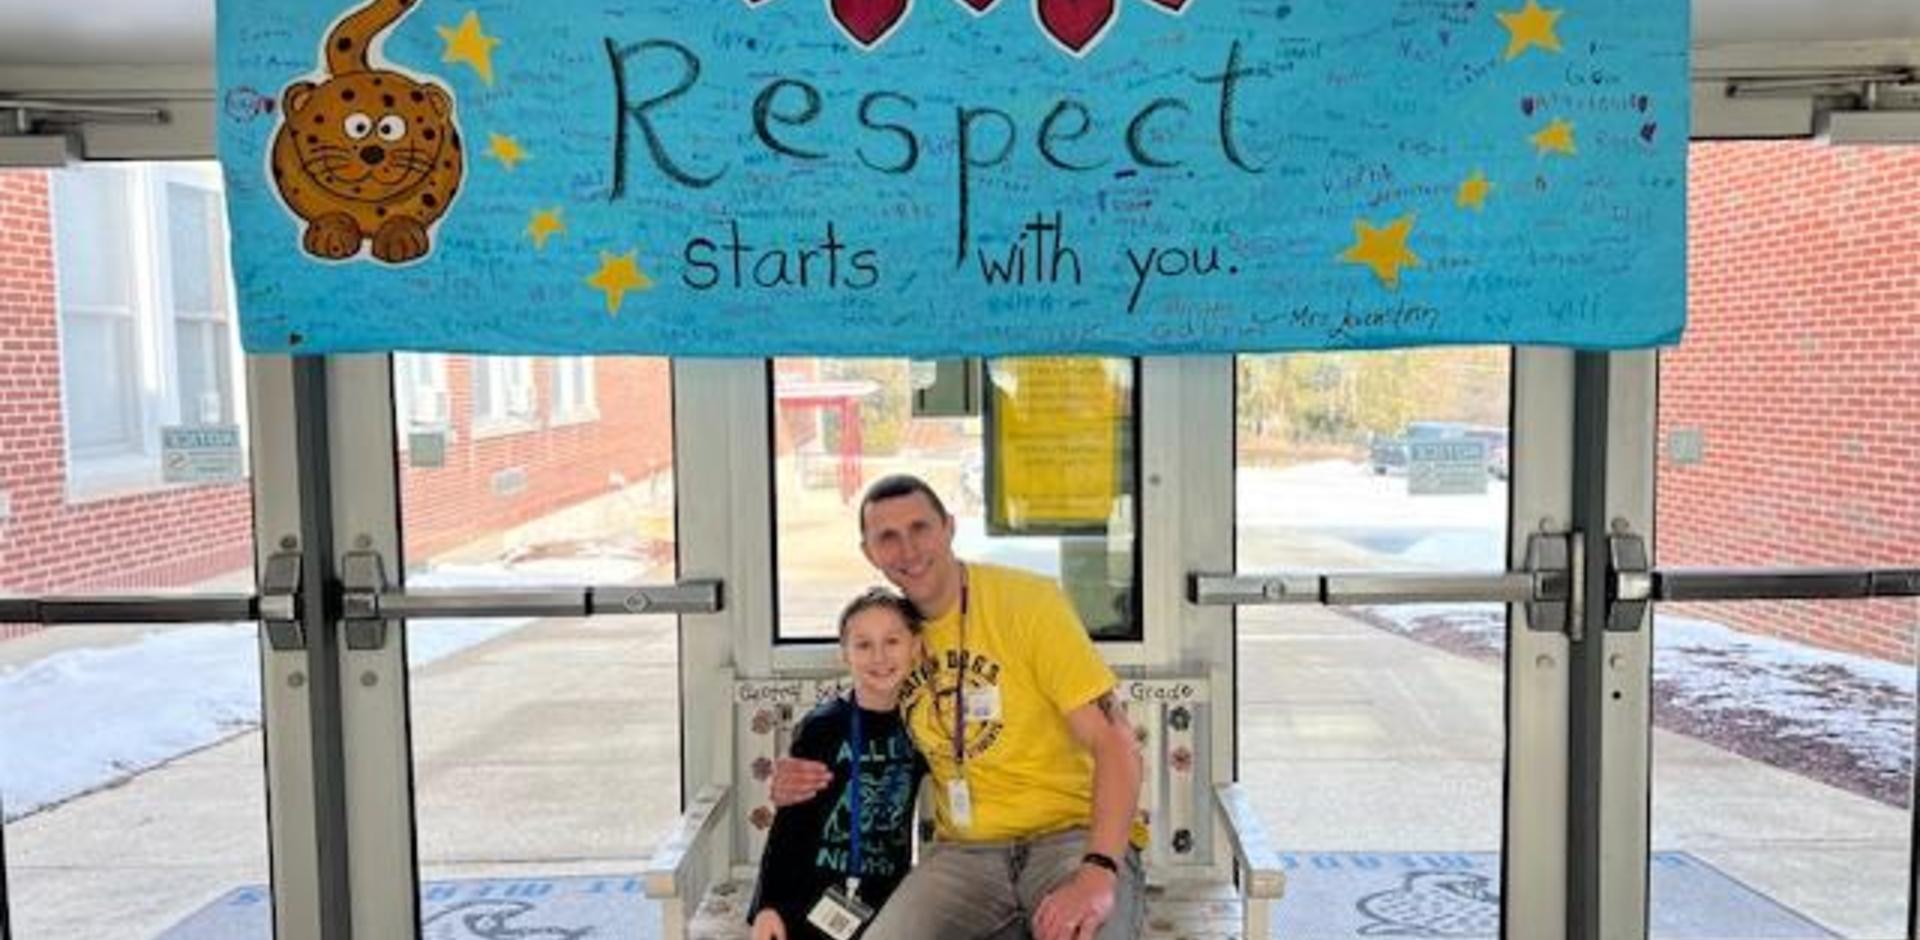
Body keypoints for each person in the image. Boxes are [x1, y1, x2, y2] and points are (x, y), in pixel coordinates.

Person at [774, 474, 1145, 940]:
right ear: (869, 552)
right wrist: (803, 771)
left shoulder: (1028, 604)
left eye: (920, 528)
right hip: (965, 856)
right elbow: (862, 729)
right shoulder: (895, 641)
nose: (908, 549)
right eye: (887, 537)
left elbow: (1115, 741)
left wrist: (1098, 871)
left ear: (949, 528)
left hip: (1070, 837)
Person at [749, 588, 929, 940]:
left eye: (892, 641)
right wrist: (769, 904)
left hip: (888, 896)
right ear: (845, 655)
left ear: (916, 647)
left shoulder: (922, 725)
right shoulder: (824, 726)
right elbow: (791, 825)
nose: (879, 656)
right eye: (863, 645)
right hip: (813, 896)